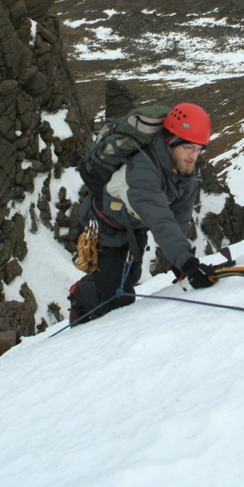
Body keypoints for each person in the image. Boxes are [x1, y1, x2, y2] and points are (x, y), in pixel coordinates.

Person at [69, 103, 217, 325]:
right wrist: (187, 262)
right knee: (120, 300)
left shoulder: (183, 174)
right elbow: (160, 218)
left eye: (198, 149)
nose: (193, 157)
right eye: (188, 148)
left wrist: (180, 264)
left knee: (129, 280)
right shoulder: (142, 170)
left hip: (133, 230)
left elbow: (177, 221)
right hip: (101, 231)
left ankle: (101, 283)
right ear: (170, 141)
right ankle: (80, 294)